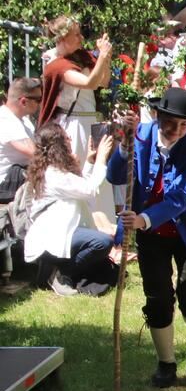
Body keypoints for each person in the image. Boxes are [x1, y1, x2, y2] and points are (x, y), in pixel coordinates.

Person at [109, 89, 186, 389]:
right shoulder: (139, 136)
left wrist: (143, 218)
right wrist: (124, 146)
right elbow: (115, 176)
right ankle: (166, 363)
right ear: (157, 116)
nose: (177, 130)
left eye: (184, 125)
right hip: (151, 236)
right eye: (170, 123)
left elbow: (180, 197)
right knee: (157, 298)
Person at [38, 16, 115, 230]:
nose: (81, 38)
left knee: (98, 171)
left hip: (90, 121)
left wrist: (105, 58)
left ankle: (103, 228)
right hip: (72, 125)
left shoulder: (82, 57)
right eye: (76, 34)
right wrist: (102, 56)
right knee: (76, 173)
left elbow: (103, 81)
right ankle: (80, 227)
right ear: (62, 38)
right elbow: (89, 83)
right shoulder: (55, 64)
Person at [23, 124, 116, 295]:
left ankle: (60, 271)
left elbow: (80, 186)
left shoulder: (54, 171)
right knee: (102, 242)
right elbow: (89, 190)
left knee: (102, 244)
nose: (70, 140)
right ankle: (61, 273)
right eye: (66, 138)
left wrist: (90, 161)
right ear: (58, 146)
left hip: (61, 233)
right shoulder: (53, 174)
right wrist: (101, 159)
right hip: (53, 237)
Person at [0, 78, 39, 203]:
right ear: (23, 101)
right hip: (6, 185)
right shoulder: (6, 120)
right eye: (38, 100)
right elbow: (34, 153)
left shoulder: (23, 120)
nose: (40, 104)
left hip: (18, 180)